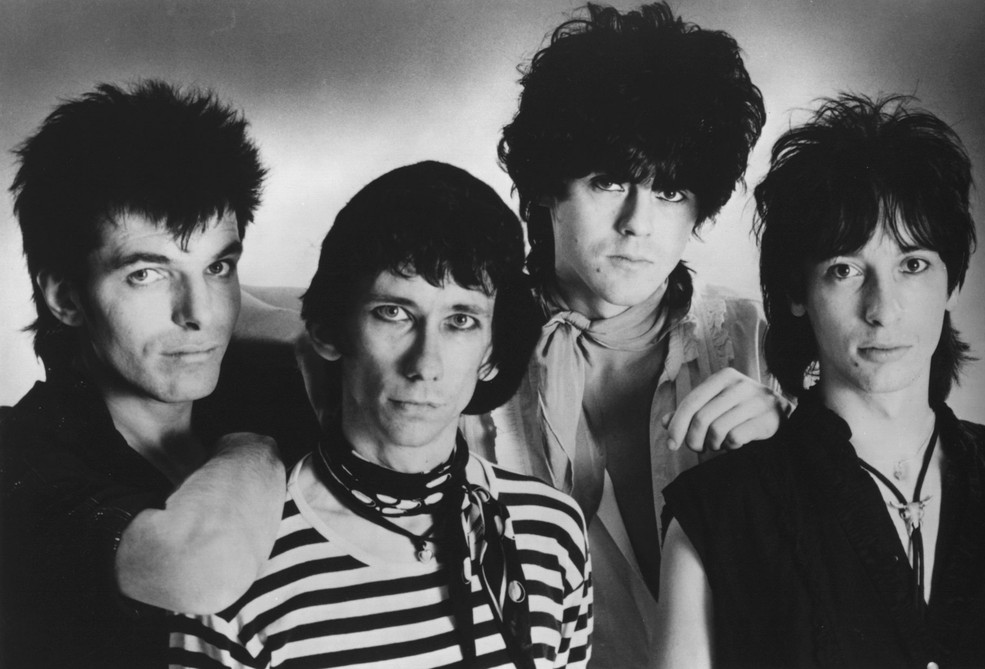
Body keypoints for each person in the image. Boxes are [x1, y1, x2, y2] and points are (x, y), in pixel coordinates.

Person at [457, 3, 789, 665]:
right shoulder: (467, 353)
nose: (639, 222)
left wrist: (793, 455)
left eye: (671, 192)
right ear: (545, 186)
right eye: (609, 181)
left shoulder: (752, 343)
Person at [170, 161, 592, 669]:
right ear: (329, 331)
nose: (425, 364)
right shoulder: (236, 572)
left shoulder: (551, 532)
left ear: (490, 353)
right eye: (393, 313)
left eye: (460, 320)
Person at [655, 94, 985, 668]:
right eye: (845, 270)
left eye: (913, 265)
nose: (882, 309)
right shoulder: (718, 512)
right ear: (797, 293)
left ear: (952, 283)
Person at [0, 80, 290, 668]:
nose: (199, 314)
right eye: (146, 275)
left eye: (218, 267)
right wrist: (258, 439)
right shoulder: (18, 454)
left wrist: (303, 335)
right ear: (65, 297)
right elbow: (200, 567)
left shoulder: (244, 386)